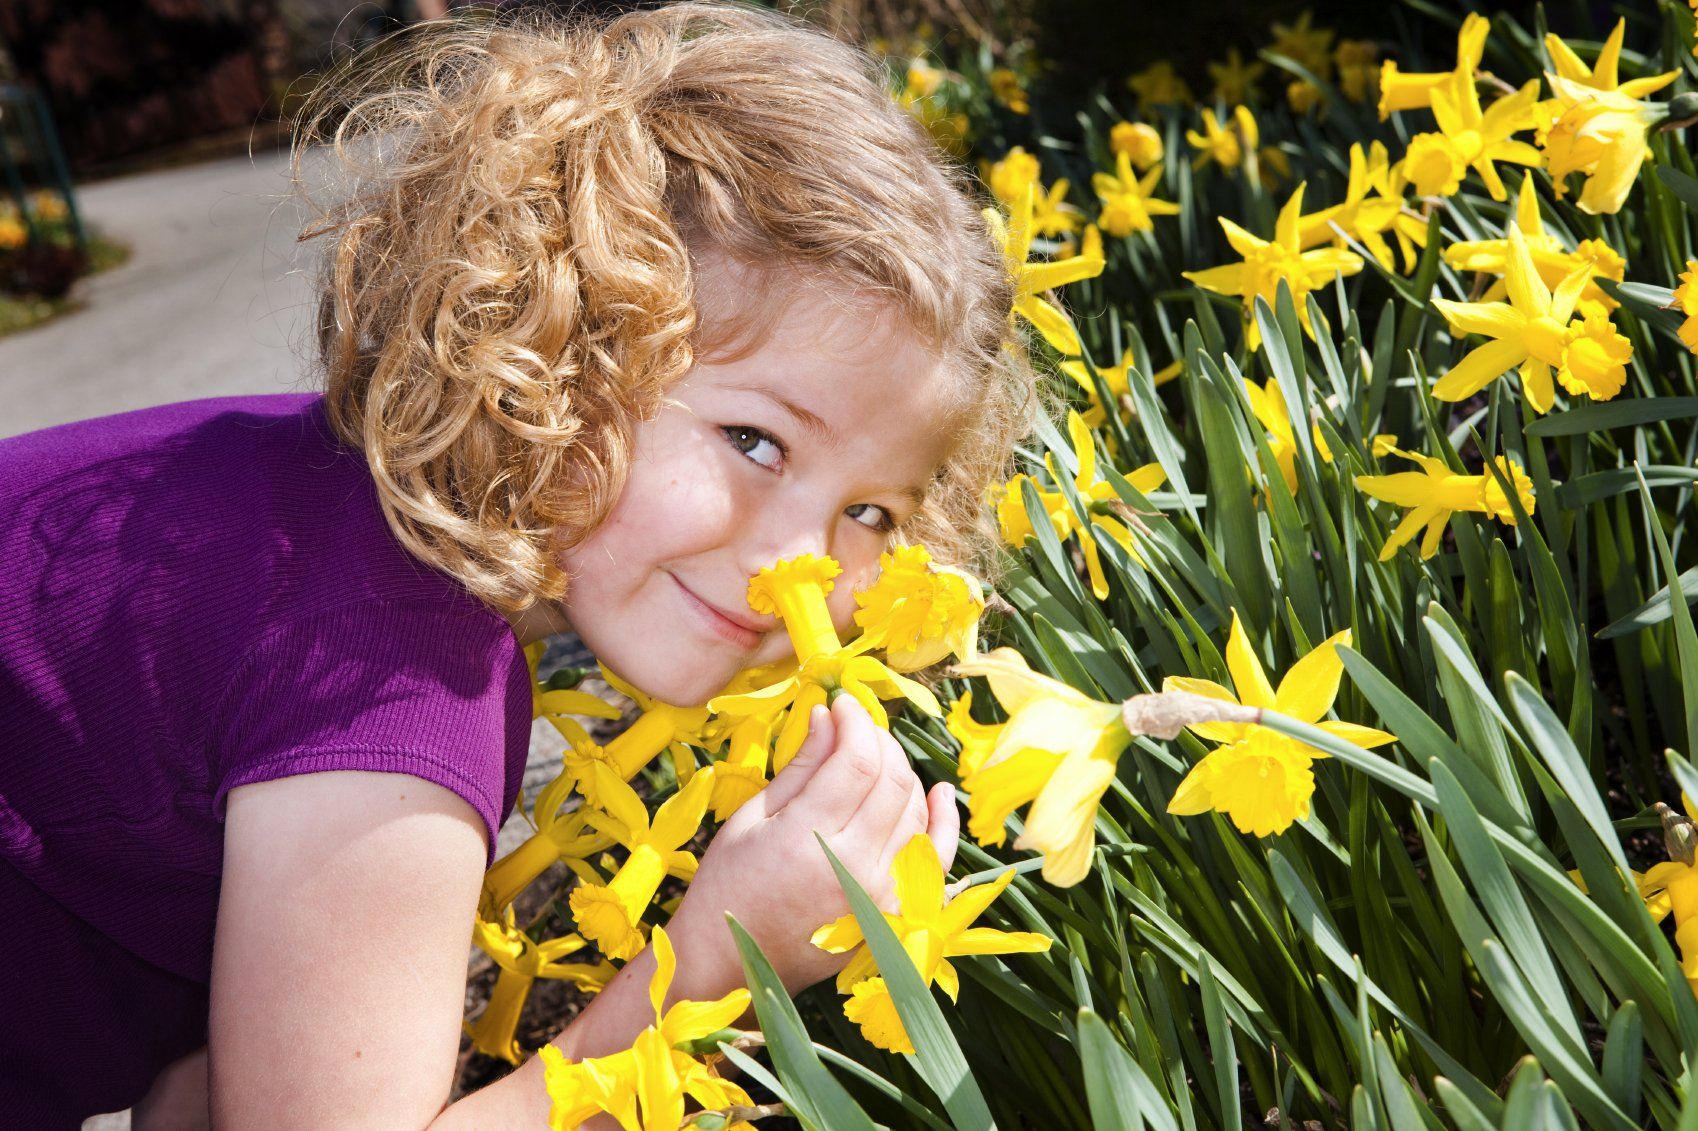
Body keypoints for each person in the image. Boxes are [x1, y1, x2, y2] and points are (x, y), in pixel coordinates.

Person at [0, 1, 1042, 1126]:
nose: (801, 561)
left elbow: (219, 1065)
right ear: (562, 340)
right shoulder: (388, 675)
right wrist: (713, 976)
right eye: (755, 441)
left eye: (873, 512)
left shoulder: (331, 508)